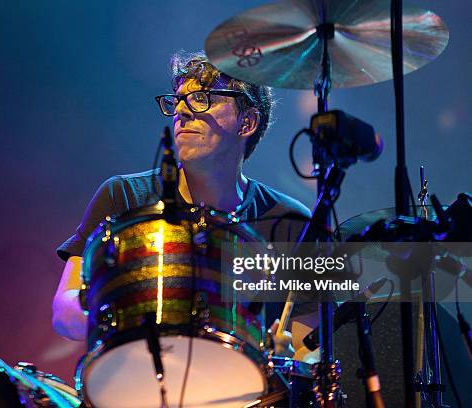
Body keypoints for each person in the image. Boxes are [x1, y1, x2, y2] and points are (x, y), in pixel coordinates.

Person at [52, 51, 312, 355]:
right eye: (178, 100)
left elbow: (309, 347)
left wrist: (287, 352)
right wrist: (119, 316)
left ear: (247, 122)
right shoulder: (122, 196)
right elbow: (63, 312)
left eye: (202, 98)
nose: (183, 112)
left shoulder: (291, 222)